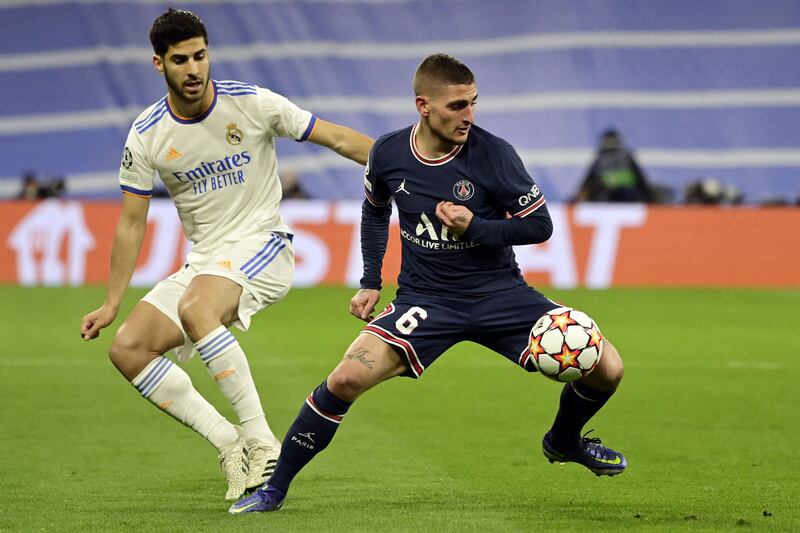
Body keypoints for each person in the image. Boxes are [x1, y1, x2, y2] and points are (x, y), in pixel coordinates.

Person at [230, 53, 626, 514]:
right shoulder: (388, 153)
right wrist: (371, 280)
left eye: (473, 103)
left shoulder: (495, 154)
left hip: (500, 293)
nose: (469, 116)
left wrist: (474, 226)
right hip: (427, 300)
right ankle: (273, 490)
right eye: (457, 106)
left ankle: (562, 442)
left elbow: (540, 226)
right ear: (423, 105)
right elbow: (376, 208)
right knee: (346, 377)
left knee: (609, 367)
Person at [79, 8, 373, 501]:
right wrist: (112, 303)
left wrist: (411, 163)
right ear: (159, 64)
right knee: (128, 349)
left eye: (200, 55)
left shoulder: (252, 103)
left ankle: (262, 443)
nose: (193, 69)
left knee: (196, 306)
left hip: (264, 246)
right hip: (206, 263)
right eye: (180, 60)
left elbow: (339, 138)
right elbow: (132, 222)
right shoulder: (147, 134)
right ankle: (229, 442)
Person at [574, 128, 654, 203]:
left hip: (611, 200)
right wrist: (651, 200)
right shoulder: (626, 157)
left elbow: (587, 182)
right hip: (626, 199)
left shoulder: (601, 158)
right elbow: (641, 182)